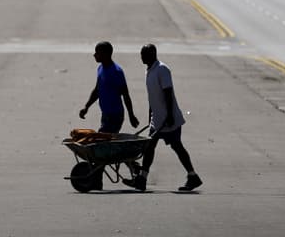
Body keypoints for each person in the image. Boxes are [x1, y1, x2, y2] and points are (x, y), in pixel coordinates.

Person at [124, 44, 202, 192]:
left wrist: (170, 115)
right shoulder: (149, 71)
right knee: (149, 147)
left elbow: (168, 92)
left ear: (152, 54)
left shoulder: (162, 69)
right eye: (141, 54)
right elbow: (152, 97)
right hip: (157, 119)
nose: (141, 57)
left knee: (177, 147)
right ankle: (142, 179)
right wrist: (150, 117)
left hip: (168, 119)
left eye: (144, 54)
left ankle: (192, 176)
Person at [79, 41, 140, 190]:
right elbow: (97, 90)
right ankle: (132, 165)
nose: (94, 55)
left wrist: (131, 115)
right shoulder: (100, 68)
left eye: (97, 52)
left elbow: (125, 94)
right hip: (105, 114)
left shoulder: (116, 72)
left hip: (115, 115)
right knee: (106, 147)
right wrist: (86, 106)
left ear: (106, 54)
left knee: (101, 147)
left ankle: (96, 181)